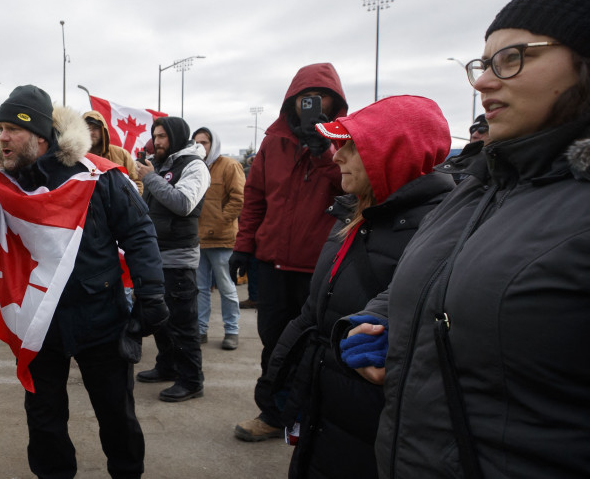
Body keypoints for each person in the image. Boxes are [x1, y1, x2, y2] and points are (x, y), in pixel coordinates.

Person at [344, 0, 590, 478]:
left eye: (513, 57)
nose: (482, 80)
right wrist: (380, 321)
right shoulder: (483, 186)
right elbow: (434, 280)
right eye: (484, 61)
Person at [0, 85, 168, 479]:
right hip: (37, 324)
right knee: (45, 421)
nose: (3, 136)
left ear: (41, 136)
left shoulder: (99, 176)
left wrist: (152, 296)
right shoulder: (1, 184)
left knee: (117, 416)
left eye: (12, 127)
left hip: (101, 320)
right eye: (0, 127)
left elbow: (138, 234)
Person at [236, 96, 452, 479]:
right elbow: (317, 313)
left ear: (391, 153)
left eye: (350, 147)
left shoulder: (437, 233)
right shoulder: (354, 216)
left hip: (370, 424)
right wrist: (280, 391)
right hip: (330, 411)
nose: (337, 157)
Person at [229, 63, 348, 387]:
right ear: (292, 100)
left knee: (312, 342)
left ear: (334, 101)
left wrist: (324, 151)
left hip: (317, 267)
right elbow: (254, 198)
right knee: (273, 340)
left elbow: (351, 189)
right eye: (305, 96)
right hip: (271, 264)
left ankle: (304, 418)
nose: (312, 103)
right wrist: (243, 246)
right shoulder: (272, 142)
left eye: (321, 96)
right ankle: (273, 410)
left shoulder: (345, 141)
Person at [134, 116, 210, 402]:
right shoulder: (161, 165)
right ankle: (167, 366)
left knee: (182, 323)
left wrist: (150, 178)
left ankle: (191, 380)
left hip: (179, 258)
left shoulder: (194, 166)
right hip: (156, 255)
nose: (158, 141)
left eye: (163, 136)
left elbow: (182, 203)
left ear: (177, 136)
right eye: (155, 136)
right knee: (162, 320)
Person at [191, 127, 245, 350]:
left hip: (222, 239)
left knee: (227, 287)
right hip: (197, 238)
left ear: (214, 144)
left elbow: (239, 198)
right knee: (201, 288)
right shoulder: (193, 167)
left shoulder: (229, 165)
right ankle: (201, 330)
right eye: (196, 142)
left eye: (204, 142)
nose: (200, 146)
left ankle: (231, 331)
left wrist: (221, 220)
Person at [84, 109, 143, 194]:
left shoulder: (122, 155)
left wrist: (130, 206)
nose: (91, 132)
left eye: (95, 128)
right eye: (87, 128)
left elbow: (137, 183)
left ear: (103, 130)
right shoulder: (76, 158)